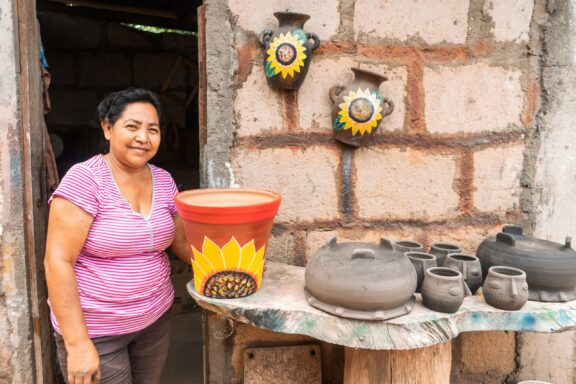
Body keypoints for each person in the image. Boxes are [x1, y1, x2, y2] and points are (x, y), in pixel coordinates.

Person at [44, 88, 192, 384]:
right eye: (132, 127)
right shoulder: (86, 179)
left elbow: (182, 244)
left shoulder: (163, 180)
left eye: (153, 129)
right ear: (108, 128)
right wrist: (77, 344)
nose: (143, 138)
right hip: (97, 330)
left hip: (154, 319)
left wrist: (228, 271)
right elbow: (57, 261)